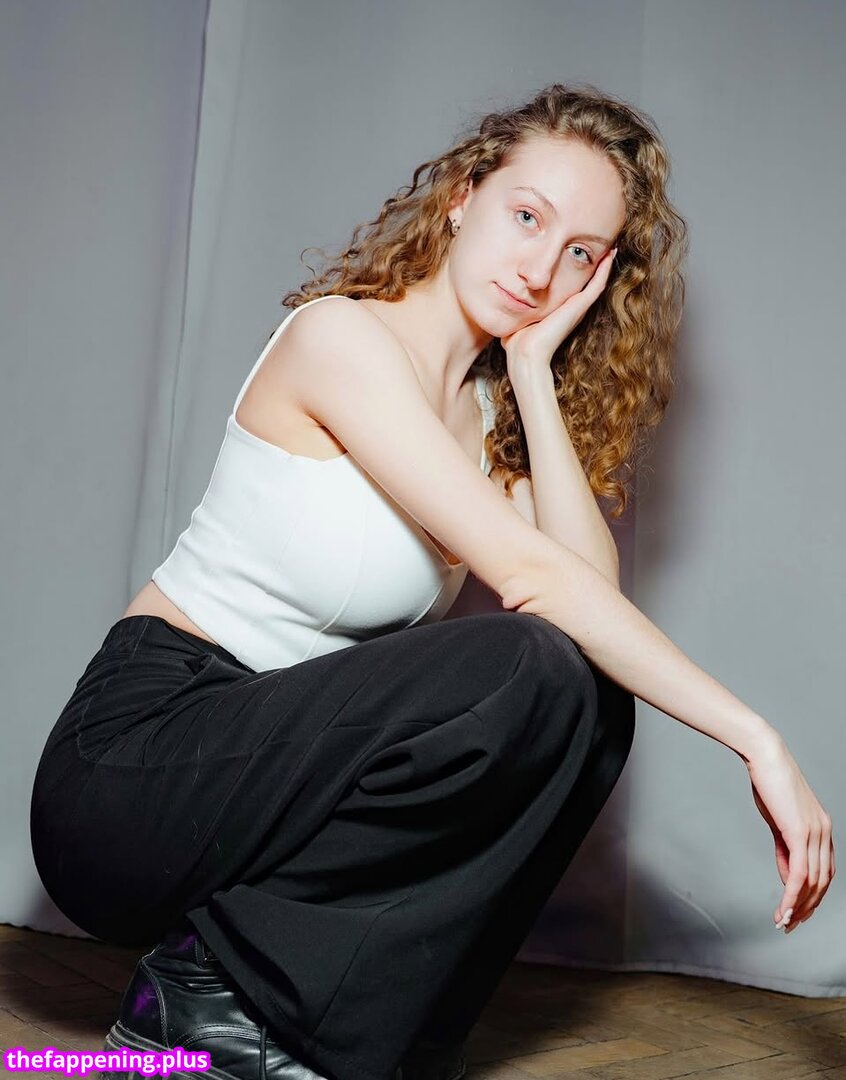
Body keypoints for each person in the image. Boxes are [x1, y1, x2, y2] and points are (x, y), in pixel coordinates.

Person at [29, 82, 833, 1080]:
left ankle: (369, 1038)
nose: (540, 268)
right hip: (134, 771)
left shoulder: (485, 417)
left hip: (272, 786)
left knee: (588, 700)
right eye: (527, 217)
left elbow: (591, 599)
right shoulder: (341, 339)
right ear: (462, 196)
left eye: (580, 252)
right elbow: (535, 582)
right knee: (524, 658)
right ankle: (204, 996)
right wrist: (755, 738)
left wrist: (531, 375)